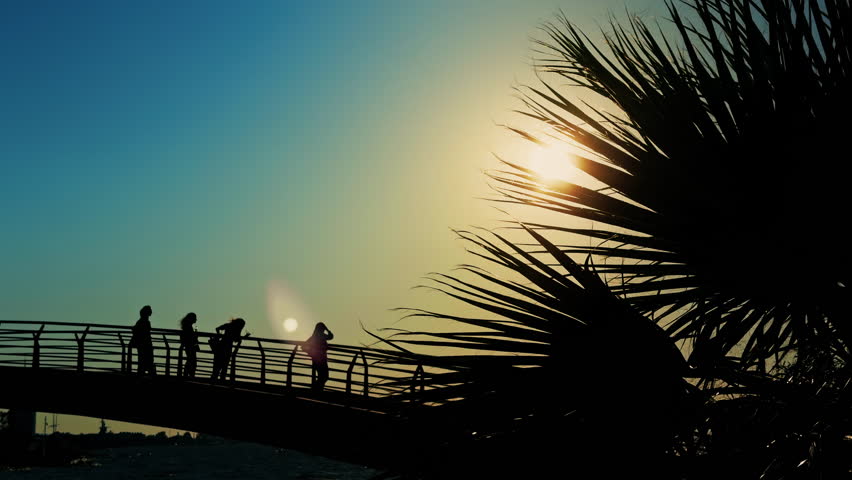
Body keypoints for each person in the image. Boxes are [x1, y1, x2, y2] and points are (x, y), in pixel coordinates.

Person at [302, 322, 334, 392]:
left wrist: (310, 353)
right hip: (321, 360)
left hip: (316, 360)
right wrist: (327, 330)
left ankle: (316, 389)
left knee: (322, 377)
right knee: (324, 377)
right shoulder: (321, 335)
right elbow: (331, 336)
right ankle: (315, 390)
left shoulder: (313, 337)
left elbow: (303, 346)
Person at [130, 305, 156, 375]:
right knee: (148, 360)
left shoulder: (140, 321)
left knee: (142, 360)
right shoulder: (145, 322)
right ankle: (149, 375)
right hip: (146, 344)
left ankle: (142, 374)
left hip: (141, 344)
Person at [179, 312, 199, 377]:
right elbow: (190, 337)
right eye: (195, 318)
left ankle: (187, 375)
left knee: (190, 361)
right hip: (190, 346)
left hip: (188, 346)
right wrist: (195, 335)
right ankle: (189, 375)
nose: (196, 319)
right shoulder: (188, 327)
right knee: (192, 362)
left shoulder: (186, 326)